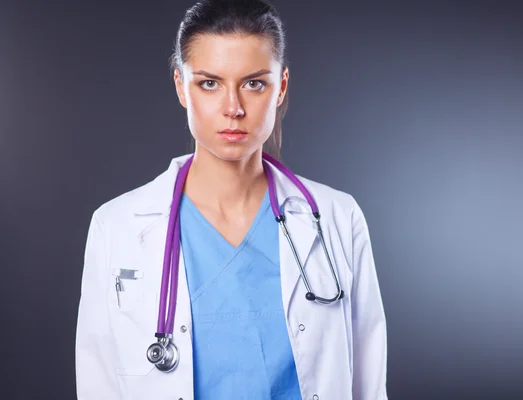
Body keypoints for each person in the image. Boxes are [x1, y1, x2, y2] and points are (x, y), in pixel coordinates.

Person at [75, 0, 387, 399]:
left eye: (254, 83)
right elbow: (98, 381)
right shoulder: (116, 226)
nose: (233, 108)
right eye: (209, 83)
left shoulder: (338, 218)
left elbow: (368, 383)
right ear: (180, 86)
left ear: (281, 87)